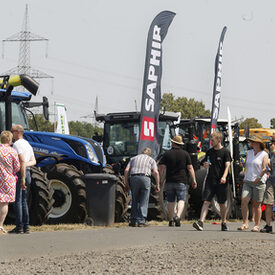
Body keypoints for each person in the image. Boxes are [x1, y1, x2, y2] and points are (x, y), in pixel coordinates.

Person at [193, 131, 231, 231]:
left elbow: (227, 166)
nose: (211, 142)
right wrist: (205, 165)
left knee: (222, 203)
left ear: (219, 140)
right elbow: (204, 162)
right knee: (206, 201)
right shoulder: (209, 152)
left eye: (213, 140)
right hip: (210, 180)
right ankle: (201, 222)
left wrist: (224, 176)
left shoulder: (225, 152)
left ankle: (224, 222)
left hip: (221, 181)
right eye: (210, 140)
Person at [159, 135, 197, 227]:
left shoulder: (167, 154)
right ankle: (178, 216)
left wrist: (160, 180)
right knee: (181, 199)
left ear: (173, 143)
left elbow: (162, 168)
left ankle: (171, 220)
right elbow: (190, 168)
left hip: (169, 181)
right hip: (181, 180)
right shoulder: (185, 154)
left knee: (170, 201)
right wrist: (194, 180)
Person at [238, 134, 268, 232]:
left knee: (256, 204)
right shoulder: (249, 152)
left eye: (254, 142)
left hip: (259, 182)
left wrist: (259, 178)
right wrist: (243, 171)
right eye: (252, 142)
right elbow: (246, 165)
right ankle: (245, 223)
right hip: (248, 180)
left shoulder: (264, 154)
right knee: (244, 200)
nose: (252, 143)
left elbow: (264, 168)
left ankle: (257, 225)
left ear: (259, 144)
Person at [9, 125, 36, 234]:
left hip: (21, 174)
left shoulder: (16, 144)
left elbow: (22, 161)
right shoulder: (27, 144)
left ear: (17, 132)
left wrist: (23, 177)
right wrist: (25, 166)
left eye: (12, 131)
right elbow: (33, 161)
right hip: (28, 172)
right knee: (24, 200)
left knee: (18, 201)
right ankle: (26, 226)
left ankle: (19, 226)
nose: (11, 133)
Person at [124, 147, 160, 227]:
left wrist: (126, 183)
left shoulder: (133, 159)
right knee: (144, 199)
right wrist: (158, 184)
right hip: (145, 178)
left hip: (134, 178)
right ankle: (141, 220)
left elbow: (126, 170)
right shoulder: (151, 160)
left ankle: (133, 220)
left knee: (134, 199)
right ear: (149, 154)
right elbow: (155, 172)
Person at [0, 131, 20, 234]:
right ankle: (0, 225)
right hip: (7, 179)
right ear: (9, 140)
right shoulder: (12, 151)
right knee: (4, 202)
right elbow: (17, 167)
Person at [260, 134, 275, 233]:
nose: (272, 144)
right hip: (272, 179)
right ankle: (268, 225)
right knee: (268, 202)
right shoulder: (272, 153)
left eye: (273, 142)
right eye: (271, 142)